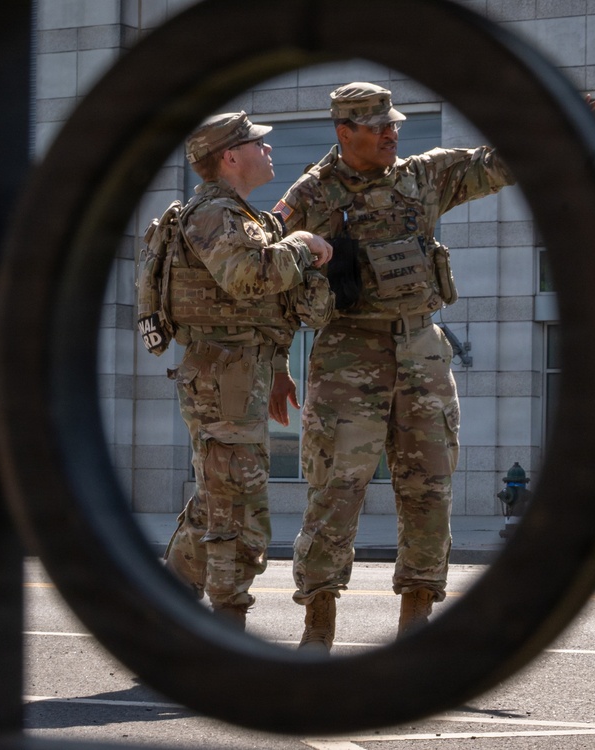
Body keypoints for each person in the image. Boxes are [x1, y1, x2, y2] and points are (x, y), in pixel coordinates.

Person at [273, 83, 515, 651]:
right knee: (335, 491)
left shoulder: (423, 176)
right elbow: (272, 279)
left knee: (429, 489)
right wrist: (279, 362)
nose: (392, 133)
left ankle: (417, 624)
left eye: (394, 124)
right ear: (344, 132)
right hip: (347, 355)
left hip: (422, 350)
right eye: (378, 127)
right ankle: (318, 627)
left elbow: (495, 165)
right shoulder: (310, 194)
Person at [162, 111, 333, 630]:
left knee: (222, 497)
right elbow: (246, 277)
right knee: (234, 506)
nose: (269, 149)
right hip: (222, 377)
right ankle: (226, 620)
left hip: (241, 373)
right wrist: (301, 243)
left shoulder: (242, 216)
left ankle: (165, 607)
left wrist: (278, 367)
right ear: (230, 157)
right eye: (259, 143)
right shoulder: (213, 213)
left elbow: (263, 310)